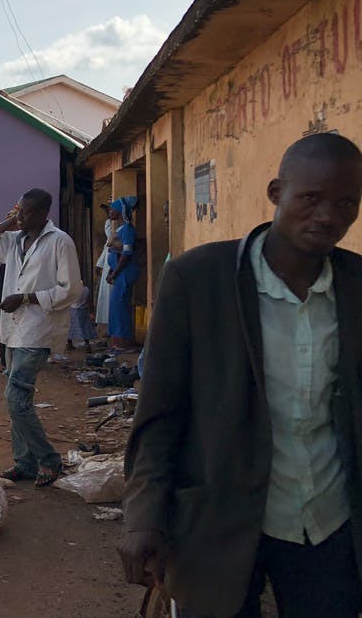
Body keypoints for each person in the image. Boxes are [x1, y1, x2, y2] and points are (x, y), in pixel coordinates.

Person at [119, 133, 362, 617]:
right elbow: (160, 413)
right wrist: (143, 515)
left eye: (346, 204)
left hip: (327, 521)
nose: (328, 216)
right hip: (218, 517)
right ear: (276, 193)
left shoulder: (356, 287)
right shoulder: (197, 280)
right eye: (311, 198)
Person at [0, 189, 81, 486]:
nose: (22, 216)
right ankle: (24, 463)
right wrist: (7, 224)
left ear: (44, 213)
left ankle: (49, 460)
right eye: (19, 210)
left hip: (37, 329)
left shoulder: (59, 242)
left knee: (16, 398)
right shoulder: (13, 240)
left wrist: (28, 297)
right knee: (18, 400)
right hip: (12, 329)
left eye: (28, 212)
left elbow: (70, 289)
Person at [106, 197, 140, 352]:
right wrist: (111, 271)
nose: (110, 211)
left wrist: (115, 272)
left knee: (120, 305)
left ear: (120, 212)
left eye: (112, 209)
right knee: (116, 306)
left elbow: (126, 253)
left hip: (125, 272)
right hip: (119, 272)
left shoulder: (127, 229)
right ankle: (118, 341)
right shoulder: (119, 229)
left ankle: (124, 342)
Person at [94, 204, 117, 329]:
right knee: (106, 297)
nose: (108, 212)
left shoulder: (121, 228)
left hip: (114, 267)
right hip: (108, 265)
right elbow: (106, 247)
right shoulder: (109, 224)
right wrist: (100, 264)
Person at [67, 284, 96, 353]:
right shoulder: (86, 289)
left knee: (71, 328)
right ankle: (87, 345)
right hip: (84, 310)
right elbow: (89, 301)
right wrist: (91, 311)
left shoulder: (72, 290)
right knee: (85, 328)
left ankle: (69, 344)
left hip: (73, 310)